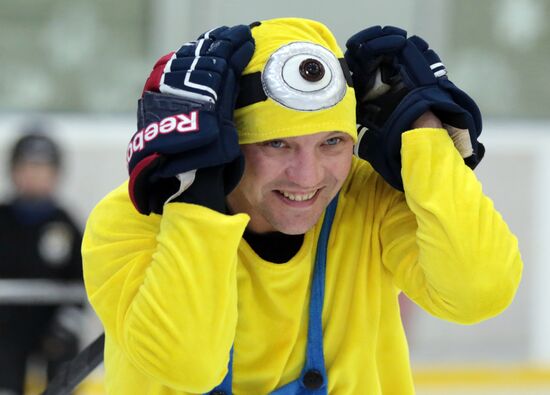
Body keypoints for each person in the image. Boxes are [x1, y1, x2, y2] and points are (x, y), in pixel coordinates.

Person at [82, 18, 523, 394]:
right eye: (276, 143)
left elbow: (478, 292)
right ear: (229, 141)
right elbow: (187, 364)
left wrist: (425, 132)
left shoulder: (364, 200)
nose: (308, 177)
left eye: (332, 142)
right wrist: (195, 193)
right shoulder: (134, 220)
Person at [0, 130, 84, 395]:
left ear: (55, 173)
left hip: (52, 325)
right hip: (6, 327)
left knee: (64, 361)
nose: (34, 175)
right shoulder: (3, 220)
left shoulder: (65, 224)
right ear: (13, 171)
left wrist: (69, 320)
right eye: (27, 167)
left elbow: (82, 279)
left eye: (42, 168)